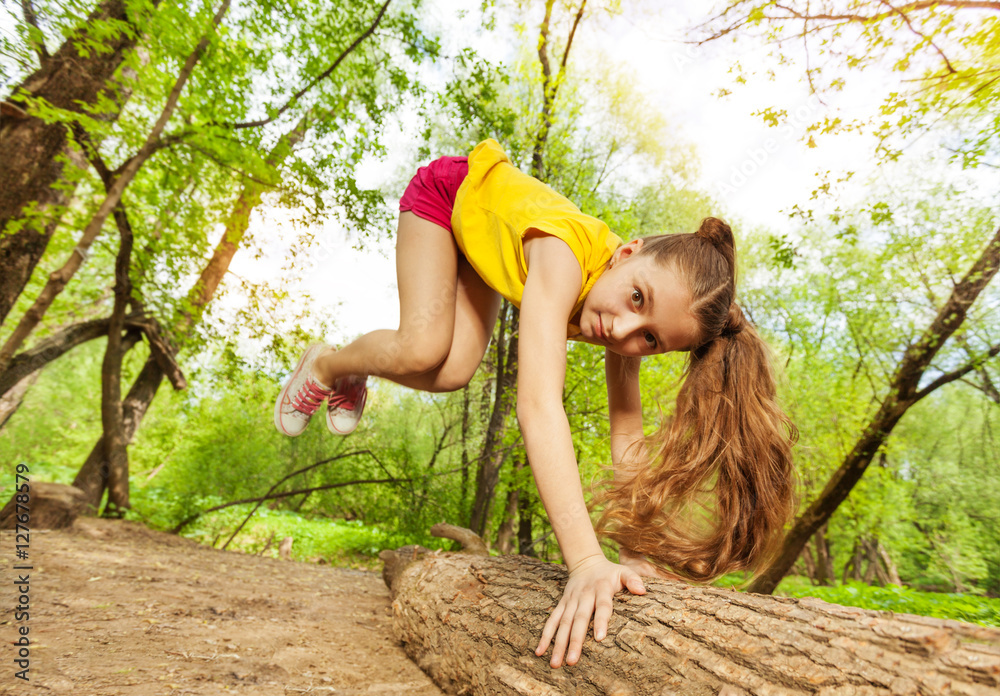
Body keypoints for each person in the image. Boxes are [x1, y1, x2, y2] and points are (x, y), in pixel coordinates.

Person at [274, 138, 796, 669]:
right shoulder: (563, 256)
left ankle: (360, 365)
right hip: (450, 197)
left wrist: (637, 552)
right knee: (422, 347)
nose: (624, 331)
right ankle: (328, 366)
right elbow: (539, 406)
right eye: (637, 299)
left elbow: (626, 434)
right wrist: (585, 560)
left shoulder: (618, 320)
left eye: (651, 340)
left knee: (453, 372)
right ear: (627, 252)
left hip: (485, 251)